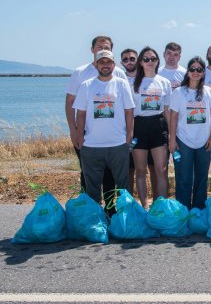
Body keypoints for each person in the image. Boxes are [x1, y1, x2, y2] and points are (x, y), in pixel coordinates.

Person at [65, 36, 127, 215]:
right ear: (92, 50)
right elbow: (70, 103)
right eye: (99, 47)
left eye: (106, 47)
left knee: (110, 175)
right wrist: (74, 130)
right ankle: (90, 211)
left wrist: (127, 133)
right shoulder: (80, 72)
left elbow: (127, 107)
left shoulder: (119, 73)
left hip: (113, 136)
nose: (102, 49)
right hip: (86, 134)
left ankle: (109, 210)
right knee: (87, 173)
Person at [168, 56, 211, 210]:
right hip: (183, 141)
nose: (195, 72)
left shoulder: (208, 92)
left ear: (203, 73)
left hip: (204, 141)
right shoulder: (178, 92)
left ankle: (198, 211)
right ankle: (183, 211)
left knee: (201, 179)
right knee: (183, 178)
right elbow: (173, 117)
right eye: (192, 69)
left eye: (199, 70)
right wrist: (172, 139)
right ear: (187, 71)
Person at [131, 47, 172, 209]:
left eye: (153, 59)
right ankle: (144, 207)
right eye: (146, 59)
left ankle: (160, 206)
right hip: (139, 126)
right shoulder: (132, 83)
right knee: (140, 171)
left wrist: (171, 135)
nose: (150, 62)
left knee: (161, 170)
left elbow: (167, 110)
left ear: (157, 61)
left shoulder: (164, 82)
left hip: (158, 125)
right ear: (140, 62)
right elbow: (128, 112)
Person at [120, 48, 138, 195]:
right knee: (128, 168)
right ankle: (128, 200)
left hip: (143, 124)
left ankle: (153, 204)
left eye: (132, 58)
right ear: (121, 63)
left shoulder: (145, 77)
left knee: (149, 167)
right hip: (124, 126)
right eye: (125, 59)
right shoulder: (118, 79)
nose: (129, 61)